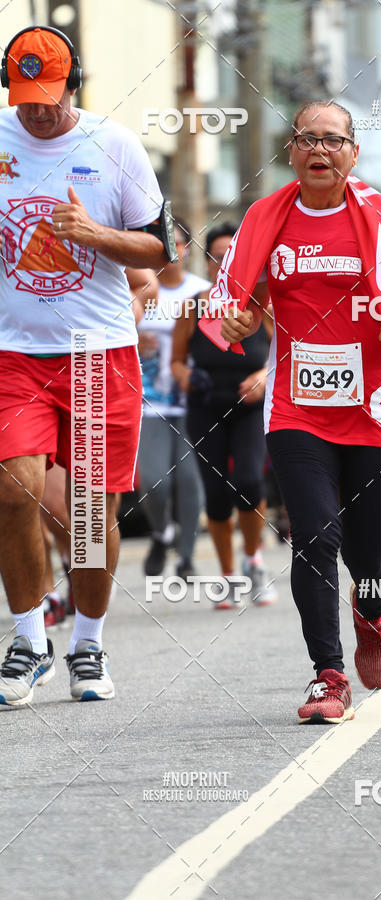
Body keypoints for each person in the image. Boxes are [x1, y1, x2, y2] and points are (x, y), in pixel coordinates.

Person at [207, 101, 381, 723]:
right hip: (298, 402)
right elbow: (232, 298)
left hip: (375, 403)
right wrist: (239, 318)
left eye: (333, 140)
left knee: (369, 552)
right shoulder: (265, 218)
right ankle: (328, 677)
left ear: (353, 152)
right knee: (314, 537)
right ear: (291, 152)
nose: (319, 151)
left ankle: (372, 613)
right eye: (307, 140)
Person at [0, 26, 169, 707]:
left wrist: (93, 234)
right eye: (23, 97)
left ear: (75, 87)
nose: (36, 111)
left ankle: (88, 644)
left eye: (48, 97)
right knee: (12, 493)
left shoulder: (115, 145)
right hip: (13, 354)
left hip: (99, 356)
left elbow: (161, 249)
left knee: (94, 517)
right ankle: (28, 639)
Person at [171, 223, 276, 607]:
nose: (225, 262)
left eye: (233, 253)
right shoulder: (195, 304)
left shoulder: (262, 303)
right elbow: (177, 362)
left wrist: (262, 377)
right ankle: (229, 575)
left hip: (249, 407)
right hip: (205, 405)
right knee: (216, 493)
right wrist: (187, 376)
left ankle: (255, 559)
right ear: (210, 262)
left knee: (248, 481)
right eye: (218, 255)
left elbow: (285, 354)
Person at [137, 219, 208, 579]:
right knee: (154, 480)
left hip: (193, 399)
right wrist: (135, 341)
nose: (168, 251)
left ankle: (186, 557)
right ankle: (162, 530)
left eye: (174, 244)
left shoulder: (202, 291)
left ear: (186, 248)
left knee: (190, 480)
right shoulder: (139, 288)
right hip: (148, 400)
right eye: (159, 244)